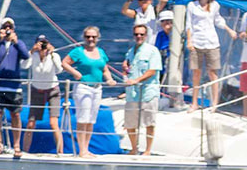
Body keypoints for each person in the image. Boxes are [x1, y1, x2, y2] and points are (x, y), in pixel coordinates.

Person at [63, 26, 117, 158]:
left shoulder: (101, 52)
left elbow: (104, 69)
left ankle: (86, 149)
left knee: (91, 120)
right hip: (83, 87)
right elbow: (64, 63)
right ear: (84, 38)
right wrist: (76, 73)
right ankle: (81, 150)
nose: (91, 39)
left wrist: (109, 79)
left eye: (93, 37)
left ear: (98, 38)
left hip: (97, 88)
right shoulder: (78, 51)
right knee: (83, 118)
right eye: (88, 37)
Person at [186, 0, 236, 112]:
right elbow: (189, 24)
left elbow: (218, 20)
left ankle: (214, 103)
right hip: (197, 42)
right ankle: (194, 103)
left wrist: (229, 30)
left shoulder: (215, 5)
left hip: (211, 42)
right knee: (196, 73)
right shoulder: (192, 6)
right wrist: (189, 41)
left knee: (213, 73)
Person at [0, 17, 31, 157]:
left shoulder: (18, 44)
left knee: (15, 115)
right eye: (5, 27)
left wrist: (16, 42)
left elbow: (25, 55)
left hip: (13, 86)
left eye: (9, 27)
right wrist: (0, 40)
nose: (7, 30)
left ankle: (16, 145)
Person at [122, 24, 163, 156]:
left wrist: (137, 80)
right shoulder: (130, 52)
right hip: (132, 93)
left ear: (146, 36)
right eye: (136, 34)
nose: (139, 37)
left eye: (141, 34)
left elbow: (153, 70)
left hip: (148, 92)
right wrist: (126, 73)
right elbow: (128, 69)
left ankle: (148, 150)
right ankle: (134, 148)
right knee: (130, 123)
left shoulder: (152, 51)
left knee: (149, 122)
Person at [23, 35, 63, 155]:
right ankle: (25, 151)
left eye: (45, 43)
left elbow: (59, 70)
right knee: (31, 124)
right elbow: (24, 65)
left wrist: (51, 53)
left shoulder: (54, 56)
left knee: (53, 123)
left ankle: (60, 152)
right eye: (40, 43)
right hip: (37, 91)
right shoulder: (33, 56)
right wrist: (31, 51)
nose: (43, 46)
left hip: (52, 90)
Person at [155, 10, 174, 84]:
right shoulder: (160, 35)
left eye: (169, 20)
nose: (166, 23)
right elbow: (157, 50)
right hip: (163, 66)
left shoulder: (178, 35)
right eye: (163, 21)